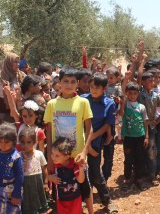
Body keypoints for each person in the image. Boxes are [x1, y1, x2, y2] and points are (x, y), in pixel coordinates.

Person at [43, 66, 93, 210]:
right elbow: (49, 130)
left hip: (77, 156)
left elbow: (90, 128)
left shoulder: (83, 102)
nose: (69, 85)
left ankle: (90, 211)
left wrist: (84, 152)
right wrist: (50, 158)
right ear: (59, 82)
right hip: (58, 157)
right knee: (61, 189)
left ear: (77, 83)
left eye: (72, 82)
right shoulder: (52, 104)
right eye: (65, 81)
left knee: (84, 187)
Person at [81, 73, 117, 212]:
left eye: (97, 87)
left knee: (95, 173)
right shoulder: (83, 100)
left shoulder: (109, 104)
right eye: (91, 87)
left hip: (95, 143)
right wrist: (84, 142)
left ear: (105, 88)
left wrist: (89, 141)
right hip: (80, 141)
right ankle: (84, 198)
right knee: (80, 171)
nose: (93, 90)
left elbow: (107, 124)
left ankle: (107, 201)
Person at [120, 76, 149, 191]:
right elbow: (121, 91)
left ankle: (139, 179)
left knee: (139, 158)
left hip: (140, 137)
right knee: (128, 159)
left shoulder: (141, 107)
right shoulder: (125, 105)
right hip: (128, 137)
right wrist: (126, 78)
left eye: (134, 93)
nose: (132, 95)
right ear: (127, 94)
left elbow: (145, 122)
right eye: (130, 93)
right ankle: (127, 180)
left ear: (138, 94)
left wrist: (146, 136)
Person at [0, 123, 24, 214]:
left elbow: (20, 177)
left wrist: (16, 194)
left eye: (7, 142)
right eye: (0, 141)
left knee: (12, 210)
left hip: (11, 191)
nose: (3, 145)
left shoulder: (16, 157)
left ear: (13, 141)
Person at [138, 72, 160, 185]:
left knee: (152, 150)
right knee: (141, 150)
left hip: (151, 127)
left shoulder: (155, 95)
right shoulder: (139, 94)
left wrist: (158, 120)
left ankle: (152, 175)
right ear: (143, 82)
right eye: (150, 81)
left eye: (153, 81)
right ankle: (141, 173)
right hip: (140, 127)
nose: (153, 83)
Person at [48, 137, 86, 214]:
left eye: (57, 155)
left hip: (75, 200)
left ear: (66, 157)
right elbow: (47, 177)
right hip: (61, 200)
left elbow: (80, 180)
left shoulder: (73, 165)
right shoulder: (54, 166)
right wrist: (51, 178)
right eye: (52, 154)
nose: (53, 157)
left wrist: (81, 170)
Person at [19, 127, 49, 214]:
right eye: (23, 142)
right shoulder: (18, 156)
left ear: (34, 142)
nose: (25, 145)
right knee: (26, 205)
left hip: (37, 183)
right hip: (25, 184)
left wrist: (46, 182)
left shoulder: (39, 154)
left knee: (38, 203)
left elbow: (44, 169)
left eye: (29, 142)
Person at [0, 52, 25, 126]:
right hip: (4, 112)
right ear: (8, 62)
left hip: (19, 112)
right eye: (15, 62)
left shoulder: (22, 76)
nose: (18, 64)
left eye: (18, 62)